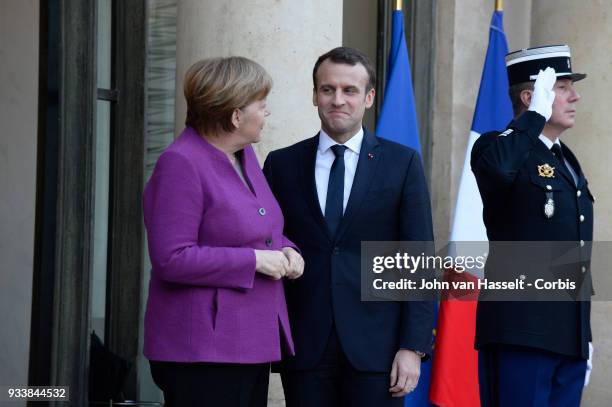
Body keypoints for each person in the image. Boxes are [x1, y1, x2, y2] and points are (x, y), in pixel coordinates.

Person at [263, 47, 435, 406]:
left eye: (349, 90)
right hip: (305, 345)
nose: (337, 99)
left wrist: (412, 346)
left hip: (378, 352)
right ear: (314, 95)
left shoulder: (402, 164)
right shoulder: (282, 164)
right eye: (327, 89)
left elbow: (418, 260)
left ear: (369, 97)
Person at [142, 56, 304, 407]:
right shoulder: (181, 163)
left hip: (250, 341)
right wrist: (255, 261)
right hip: (203, 350)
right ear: (235, 116)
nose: (267, 114)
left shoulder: (243, 156)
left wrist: (288, 250)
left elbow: (259, 229)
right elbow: (171, 258)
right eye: (262, 106)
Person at [471, 45, 594, 407]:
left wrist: (582, 333)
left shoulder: (564, 159)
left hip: (565, 338)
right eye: (562, 87)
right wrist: (532, 118)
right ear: (531, 96)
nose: (575, 96)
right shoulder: (496, 147)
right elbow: (497, 168)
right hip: (521, 334)